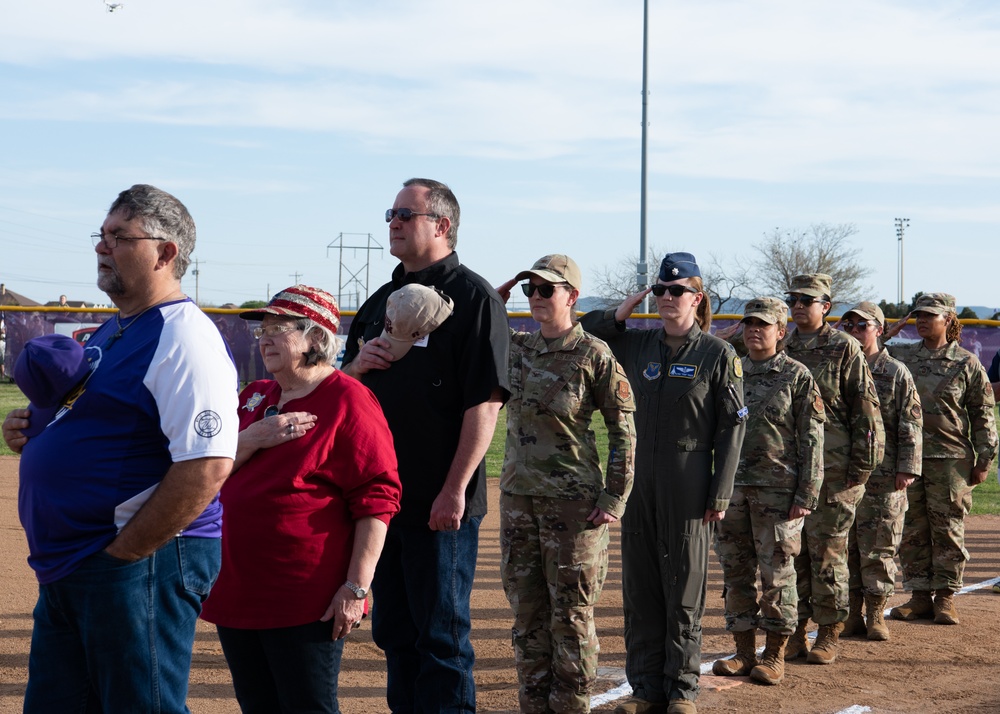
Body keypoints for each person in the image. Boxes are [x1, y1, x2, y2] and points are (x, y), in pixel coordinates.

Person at [1, 184, 238, 713]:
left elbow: (207, 464)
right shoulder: (110, 332)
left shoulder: (184, 337)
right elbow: (92, 418)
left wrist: (124, 554)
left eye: (119, 237)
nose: (101, 248)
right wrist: (34, 430)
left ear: (166, 252)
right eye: (102, 235)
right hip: (73, 564)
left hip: (136, 559)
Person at [340, 178, 510, 713]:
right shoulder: (377, 304)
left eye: (406, 215)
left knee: (441, 637)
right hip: (380, 500)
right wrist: (354, 369)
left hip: (440, 501)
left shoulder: (473, 298)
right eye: (391, 213)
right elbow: (344, 394)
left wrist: (455, 489)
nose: (393, 222)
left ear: (442, 226)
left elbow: (484, 404)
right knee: (394, 633)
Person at [200, 285, 402, 714]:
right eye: (263, 330)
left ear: (315, 337)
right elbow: (206, 475)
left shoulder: (349, 399)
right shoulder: (256, 396)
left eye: (278, 328)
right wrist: (252, 439)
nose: (265, 338)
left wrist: (355, 588)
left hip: (302, 597)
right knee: (257, 704)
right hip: (238, 587)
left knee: (306, 706)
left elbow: (378, 499)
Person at [580, 252, 746, 714]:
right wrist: (622, 309)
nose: (668, 299)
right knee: (641, 589)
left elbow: (733, 427)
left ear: (697, 298)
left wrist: (721, 490)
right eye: (660, 291)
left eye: (677, 291)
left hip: (689, 479)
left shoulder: (717, 354)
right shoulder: (638, 345)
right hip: (639, 481)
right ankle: (646, 689)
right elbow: (589, 333)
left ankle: (682, 691)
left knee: (685, 588)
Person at [494, 255, 636, 713]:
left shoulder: (593, 354)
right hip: (519, 500)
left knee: (571, 616)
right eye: (528, 289)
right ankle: (533, 705)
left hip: (573, 505)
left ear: (571, 296)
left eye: (546, 289)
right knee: (527, 613)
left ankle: (571, 706)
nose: (535, 296)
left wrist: (615, 495)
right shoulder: (517, 347)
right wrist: (497, 296)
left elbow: (623, 430)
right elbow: (467, 329)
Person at [711, 297, 825, 686]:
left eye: (763, 324)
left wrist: (807, 493)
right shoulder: (731, 372)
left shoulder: (796, 375)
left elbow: (812, 438)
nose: (754, 330)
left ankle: (774, 654)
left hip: (778, 493)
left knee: (777, 575)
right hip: (731, 490)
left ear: (781, 331)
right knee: (735, 573)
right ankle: (743, 653)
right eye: (748, 324)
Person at [781, 274, 884, 666]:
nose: (798, 306)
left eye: (808, 300)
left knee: (826, 555)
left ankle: (828, 632)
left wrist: (861, 469)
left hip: (835, 471)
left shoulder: (843, 347)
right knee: (792, 557)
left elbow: (866, 411)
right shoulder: (783, 345)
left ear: (826, 306)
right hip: (787, 471)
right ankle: (793, 632)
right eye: (793, 299)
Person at [881, 293, 998, 624]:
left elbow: (983, 414)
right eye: (918, 315)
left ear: (948, 319)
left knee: (947, 529)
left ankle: (946, 597)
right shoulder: (903, 357)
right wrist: (889, 332)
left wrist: (985, 459)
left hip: (951, 460)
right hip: (909, 458)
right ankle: (919, 596)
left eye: (929, 315)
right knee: (912, 530)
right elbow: (867, 352)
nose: (921, 320)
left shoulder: (966, 363)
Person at [837, 302, 922, 641]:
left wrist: (907, 468)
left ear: (880, 329)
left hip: (885, 476)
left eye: (863, 325)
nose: (856, 330)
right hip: (844, 474)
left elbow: (910, 422)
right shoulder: (838, 368)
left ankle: (875, 613)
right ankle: (851, 614)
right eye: (850, 324)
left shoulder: (895, 371)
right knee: (845, 547)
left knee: (879, 544)